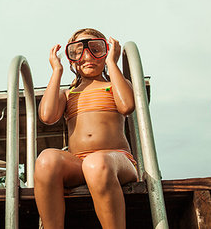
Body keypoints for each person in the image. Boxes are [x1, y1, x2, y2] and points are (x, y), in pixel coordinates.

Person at [34, 28, 138, 229]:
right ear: (71, 59)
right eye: (77, 52)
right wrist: (57, 71)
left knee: (96, 162)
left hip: (116, 161)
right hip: (80, 163)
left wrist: (112, 63)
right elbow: (47, 116)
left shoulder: (114, 85)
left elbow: (127, 106)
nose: (87, 57)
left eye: (96, 49)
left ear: (106, 52)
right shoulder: (69, 94)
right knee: (46, 159)